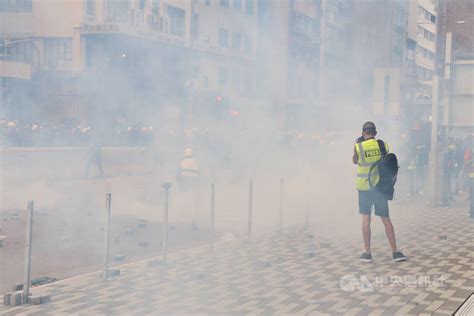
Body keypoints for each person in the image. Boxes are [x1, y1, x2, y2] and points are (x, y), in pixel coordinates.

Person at [353, 121, 406, 262]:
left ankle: (367, 253)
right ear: (375, 133)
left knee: (366, 218)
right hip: (379, 188)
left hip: (364, 188)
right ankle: (395, 252)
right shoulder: (383, 145)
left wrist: (356, 145)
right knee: (385, 218)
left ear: (363, 132)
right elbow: (387, 160)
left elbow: (354, 161)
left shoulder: (359, 146)